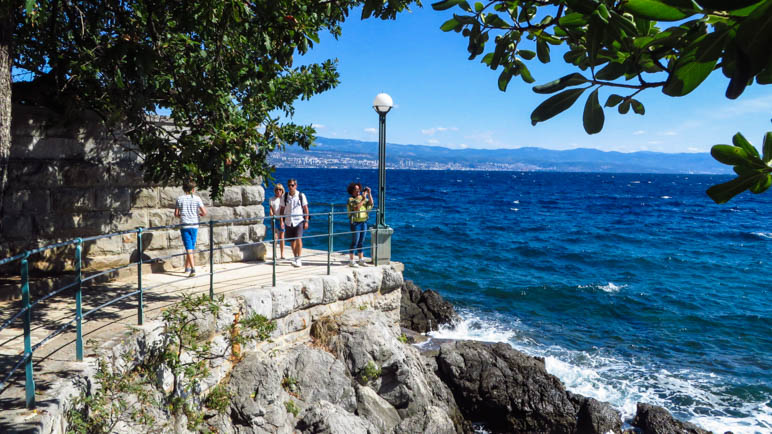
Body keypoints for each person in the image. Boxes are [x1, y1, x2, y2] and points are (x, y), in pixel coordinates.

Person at [175, 180, 207, 277]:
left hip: (185, 225)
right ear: (193, 189)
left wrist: (183, 215)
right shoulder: (197, 199)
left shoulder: (179, 199)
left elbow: (176, 214)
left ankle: (192, 269)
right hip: (195, 225)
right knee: (191, 246)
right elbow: (204, 212)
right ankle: (187, 267)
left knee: (189, 247)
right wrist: (198, 214)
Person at [279, 178, 309, 267]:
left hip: (299, 220)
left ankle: (298, 259)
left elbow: (306, 209)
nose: (290, 187)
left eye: (292, 185)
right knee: (292, 241)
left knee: (298, 238)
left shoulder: (301, 195)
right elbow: (282, 210)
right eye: (289, 185)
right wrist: (281, 221)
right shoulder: (284, 196)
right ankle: (295, 257)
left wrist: (306, 221)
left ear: (296, 185)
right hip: (288, 221)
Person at [347, 182, 373, 267]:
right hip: (355, 223)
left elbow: (371, 204)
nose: (358, 191)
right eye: (356, 189)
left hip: (363, 222)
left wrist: (369, 194)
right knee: (355, 241)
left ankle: (361, 259)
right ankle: (351, 260)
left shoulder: (363, 198)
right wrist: (363, 199)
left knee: (361, 242)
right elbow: (356, 208)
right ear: (352, 191)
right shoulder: (351, 199)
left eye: (359, 189)